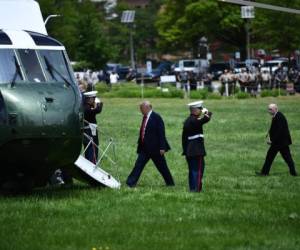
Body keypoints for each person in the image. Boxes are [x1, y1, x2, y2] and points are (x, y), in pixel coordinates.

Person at [126, 101, 175, 187]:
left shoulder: (156, 117)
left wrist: (162, 147)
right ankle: (130, 182)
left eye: (141, 109)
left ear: (147, 108)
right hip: (145, 149)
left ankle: (170, 183)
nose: (140, 111)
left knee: (162, 167)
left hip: (156, 149)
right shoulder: (145, 117)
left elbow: (161, 133)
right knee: (138, 165)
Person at [257, 104, 297, 176]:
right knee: (278, 157)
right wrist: (269, 134)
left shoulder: (279, 117)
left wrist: (272, 141)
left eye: (270, 109)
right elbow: (275, 129)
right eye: (268, 109)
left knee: (285, 158)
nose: (269, 111)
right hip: (279, 142)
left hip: (280, 143)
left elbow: (279, 131)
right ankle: (264, 172)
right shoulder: (276, 116)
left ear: (275, 109)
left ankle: (264, 173)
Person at [182, 101, 212, 192]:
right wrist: (207, 112)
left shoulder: (188, 120)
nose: (201, 111)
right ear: (195, 110)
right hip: (196, 150)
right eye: (200, 109)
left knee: (192, 170)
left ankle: (193, 188)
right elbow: (206, 119)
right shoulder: (194, 120)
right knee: (198, 170)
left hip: (189, 150)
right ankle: (196, 189)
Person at [83, 91, 103, 164]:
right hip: (90, 131)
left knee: (88, 148)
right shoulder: (87, 108)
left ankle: (89, 163)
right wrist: (100, 103)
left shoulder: (85, 106)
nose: (94, 100)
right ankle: (92, 164)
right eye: (93, 99)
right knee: (93, 148)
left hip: (87, 130)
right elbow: (98, 110)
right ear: (89, 99)